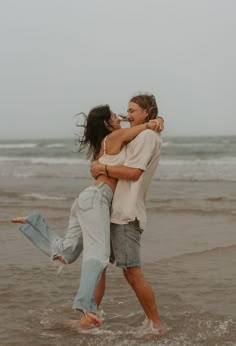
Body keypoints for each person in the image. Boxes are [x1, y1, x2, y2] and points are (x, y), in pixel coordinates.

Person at [11, 103, 163, 327]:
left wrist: (157, 121)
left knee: (67, 253)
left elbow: (139, 135)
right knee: (99, 254)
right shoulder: (117, 136)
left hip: (88, 199)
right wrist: (154, 122)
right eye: (114, 115)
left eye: (127, 112)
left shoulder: (112, 139)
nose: (119, 116)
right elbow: (142, 130)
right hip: (96, 199)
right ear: (106, 123)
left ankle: (34, 223)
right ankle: (86, 306)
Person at [90, 93, 165, 334]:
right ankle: (88, 318)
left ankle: (156, 325)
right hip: (113, 211)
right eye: (127, 110)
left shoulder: (147, 137)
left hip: (127, 212)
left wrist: (104, 167)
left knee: (132, 271)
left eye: (133, 110)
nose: (127, 115)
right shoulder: (139, 134)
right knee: (98, 266)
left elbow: (133, 172)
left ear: (147, 111)